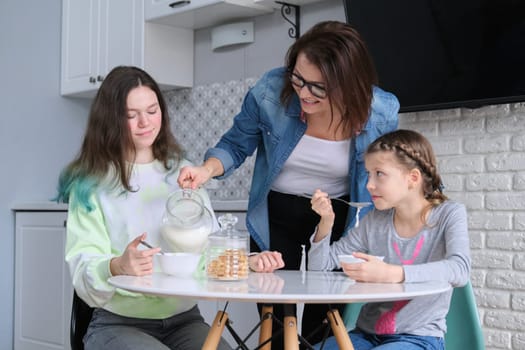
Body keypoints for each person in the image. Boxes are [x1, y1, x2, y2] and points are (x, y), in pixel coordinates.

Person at [177, 20, 400, 348]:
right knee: (276, 317)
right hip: (275, 215)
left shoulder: (379, 111)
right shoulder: (271, 91)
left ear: (346, 83)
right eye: (298, 79)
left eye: (318, 87)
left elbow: (386, 172)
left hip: (334, 220)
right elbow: (237, 144)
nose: (303, 93)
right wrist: (207, 169)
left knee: (324, 321)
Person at [55, 66, 284, 350]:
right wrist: (117, 265)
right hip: (118, 322)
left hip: (185, 320)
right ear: (110, 120)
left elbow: (208, 252)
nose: (145, 123)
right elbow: (82, 268)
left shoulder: (183, 173)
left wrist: (245, 262)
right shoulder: (90, 185)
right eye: (131, 115)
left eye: (152, 111)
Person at [308, 129, 471, 350]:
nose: (369, 184)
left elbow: (459, 269)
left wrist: (391, 273)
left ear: (412, 178)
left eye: (379, 174)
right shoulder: (375, 220)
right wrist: (326, 222)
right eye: (368, 174)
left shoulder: (449, 214)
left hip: (419, 338)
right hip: (365, 335)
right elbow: (320, 266)